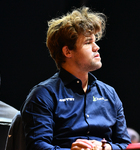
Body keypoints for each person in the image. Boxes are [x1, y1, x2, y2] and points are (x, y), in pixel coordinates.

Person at [21, 6, 131, 150]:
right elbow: (37, 146)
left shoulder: (109, 94)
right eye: (87, 42)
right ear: (67, 51)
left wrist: (108, 148)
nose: (96, 47)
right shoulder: (43, 95)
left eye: (95, 40)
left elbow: (126, 145)